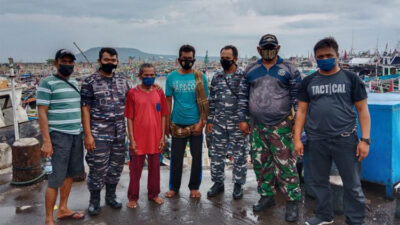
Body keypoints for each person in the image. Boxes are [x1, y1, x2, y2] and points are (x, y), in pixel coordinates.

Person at [293, 37, 371, 225]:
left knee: (352, 185)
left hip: (345, 139)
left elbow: (362, 111)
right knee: (318, 182)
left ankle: (355, 220)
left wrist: (365, 140)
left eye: (329, 55)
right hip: (316, 140)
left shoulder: (351, 79)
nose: (324, 58)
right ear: (315, 58)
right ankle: (324, 215)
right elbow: (302, 111)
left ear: (337, 55)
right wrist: (296, 138)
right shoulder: (309, 81)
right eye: (320, 56)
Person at [237, 34, 302, 222]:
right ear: (258, 50)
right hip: (257, 126)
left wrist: (298, 122)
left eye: (271, 47)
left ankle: (292, 201)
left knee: (286, 165)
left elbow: (298, 98)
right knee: (261, 162)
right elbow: (243, 96)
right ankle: (267, 196)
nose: (268, 50)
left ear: (278, 49)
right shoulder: (250, 69)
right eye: (265, 47)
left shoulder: (288, 69)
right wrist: (242, 119)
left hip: (281, 125)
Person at [37, 49, 85, 225]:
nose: (68, 65)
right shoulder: (47, 83)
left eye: (70, 62)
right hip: (58, 136)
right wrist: (47, 141)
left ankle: (63, 209)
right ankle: (49, 217)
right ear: (56, 63)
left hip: (75, 135)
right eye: (64, 61)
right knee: (55, 178)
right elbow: (42, 113)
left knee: (69, 175)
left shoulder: (74, 82)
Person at [81, 47, 129, 216]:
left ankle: (111, 196)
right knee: (97, 168)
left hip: (119, 133)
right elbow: (85, 109)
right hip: (98, 133)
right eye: (107, 60)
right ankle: (94, 201)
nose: (110, 63)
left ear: (117, 61)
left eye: (113, 60)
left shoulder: (123, 81)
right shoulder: (90, 82)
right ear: (100, 60)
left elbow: (130, 105)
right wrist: (88, 135)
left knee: (116, 166)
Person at [164, 44, 208, 199]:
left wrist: (201, 122)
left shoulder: (200, 77)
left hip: (195, 123)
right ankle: (174, 187)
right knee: (176, 158)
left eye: (190, 59)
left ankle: (194, 187)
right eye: (184, 58)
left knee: (197, 158)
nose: (187, 61)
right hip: (177, 123)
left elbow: (204, 102)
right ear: (179, 59)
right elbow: (168, 101)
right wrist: (166, 123)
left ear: (194, 59)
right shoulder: (171, 77)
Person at [206, 45, 249, 199]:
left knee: (239, 155)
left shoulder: (243, 77)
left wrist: (246, 121)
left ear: (235, 59)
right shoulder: (217, 78)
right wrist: (210, 120)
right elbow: (212, 101)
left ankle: (238, 185)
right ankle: (218, 182)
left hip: (238, 123)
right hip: (219, 122)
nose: (224, 61)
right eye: (222, 58)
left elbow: (248, 101)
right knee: (217, 154)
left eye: (227, 58)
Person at [124, 63, 168, 208]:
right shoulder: (132, 93)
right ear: (140, 76)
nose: (149, 77)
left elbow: (163, 115)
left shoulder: (159, 92)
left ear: (155, 76)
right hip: (138, 138)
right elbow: (129, 117)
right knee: (135, 170)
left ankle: (154, 194)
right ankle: (133, 197)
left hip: (155, 137)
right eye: (146, 75)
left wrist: (162, 136)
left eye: (152, 75)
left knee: (155, 169)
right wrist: (132, 139)